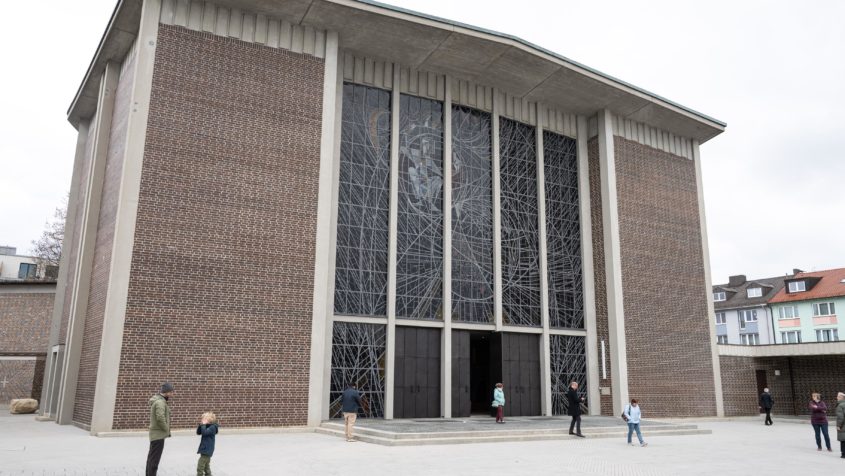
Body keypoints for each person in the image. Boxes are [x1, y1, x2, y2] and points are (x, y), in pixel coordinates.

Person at [147, 382, 174, 476]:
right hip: (158, 435)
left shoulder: (160, 401)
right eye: (171, 392)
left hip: (156, 434)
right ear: (166, 392)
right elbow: (160, 418)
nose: (172, 394)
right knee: (154, 461)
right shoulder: (160, 402)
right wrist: (166, 429)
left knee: (151, 458)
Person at [196, 412, 219, 476]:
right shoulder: (206, 426)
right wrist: (200, 425)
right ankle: (208, 474)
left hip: (207, 449)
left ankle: (199, 474)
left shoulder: (213, 427)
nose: (202, 420)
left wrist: (203, 425)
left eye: (204, 419)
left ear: (209, 420)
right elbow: (198, 433)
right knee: (206, 465)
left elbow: (205, 433)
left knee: (200, 465)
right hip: (204, 448)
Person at [836, 392, 845, 458]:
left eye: (838, 396)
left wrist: (838, 425)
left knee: (843, 439)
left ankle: (843, 454)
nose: (837, 398)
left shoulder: (840, 405)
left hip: (843, 425)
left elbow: (840, 417)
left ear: (841, 397)